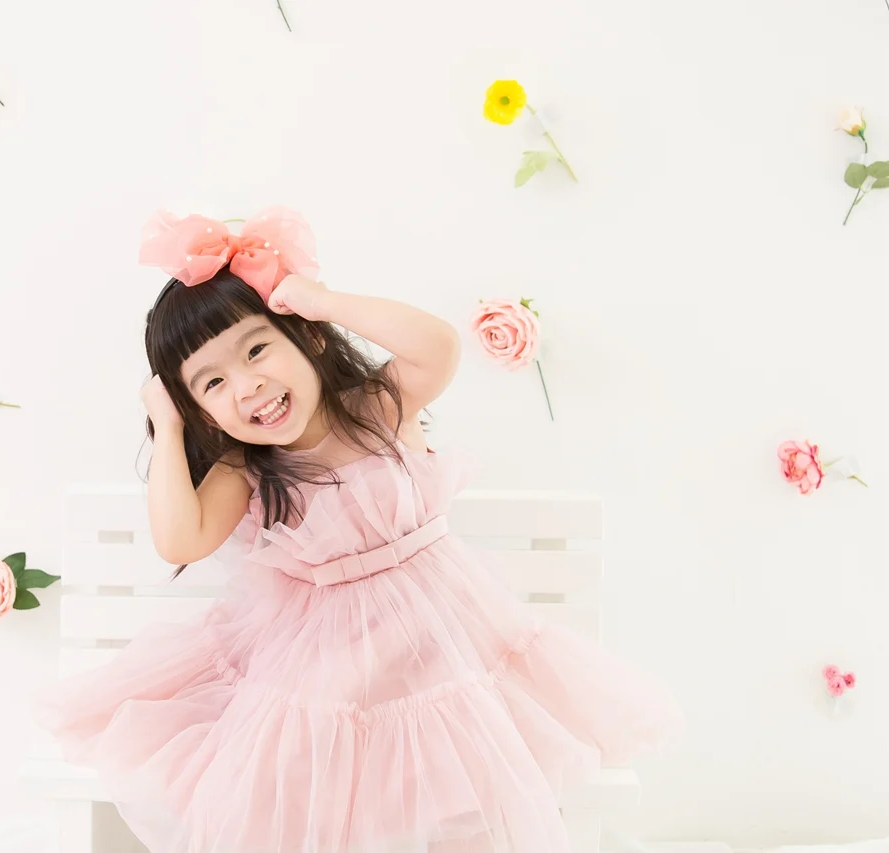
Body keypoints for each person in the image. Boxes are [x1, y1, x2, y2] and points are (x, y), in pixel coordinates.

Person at [35, 207, 681, 853]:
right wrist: (170, 424)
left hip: (442, 639)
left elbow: (438, 346)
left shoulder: (376, 407)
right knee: (302, 769)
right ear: (201, 410)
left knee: (451, 762)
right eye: (213, 382)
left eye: (257, 349)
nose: (248, 385)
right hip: (324, 658)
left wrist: (324, 301)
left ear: (308, 338)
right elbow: (180, 540)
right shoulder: (244, 467)